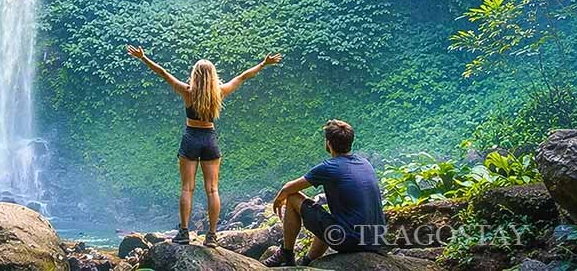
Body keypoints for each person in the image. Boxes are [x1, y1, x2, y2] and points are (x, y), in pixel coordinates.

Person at [126, 45, 283, 247]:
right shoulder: (220, 92)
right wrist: (263, 63)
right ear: (212, 75)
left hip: (191, 137)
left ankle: (183, 233)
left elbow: (163, 73)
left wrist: (144, 58)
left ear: (195, 75)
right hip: (209, 139)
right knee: (212, 190)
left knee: (187, 188)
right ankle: (211, 236)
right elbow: (243, 77)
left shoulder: (187, 91)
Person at [263, 120, 386, 267]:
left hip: (350, 241)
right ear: (350, 141)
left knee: (293, 197)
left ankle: (286, 253)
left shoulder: (329, 168)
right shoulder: (365, 163)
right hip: (375, 239)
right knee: (327, 218)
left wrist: (277, 201)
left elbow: (288, 188)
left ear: (328, 143)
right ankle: (307, 261)